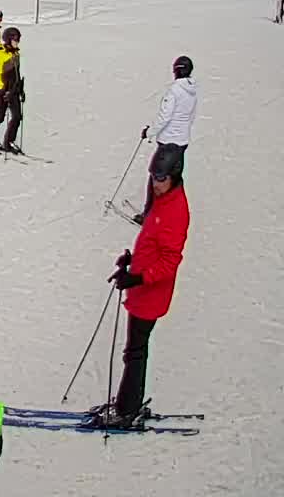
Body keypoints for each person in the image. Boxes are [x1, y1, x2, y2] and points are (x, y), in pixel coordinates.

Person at [92, 160, 191, 429]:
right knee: (135, 349)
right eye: (153, 177)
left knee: (135, 350)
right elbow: (153, 244)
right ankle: (128, 402)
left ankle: (128, 409)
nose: (156, 183)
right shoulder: (164, 200)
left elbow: (170, 261)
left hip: (151, 294)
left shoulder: (175, 210)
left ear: (173, 177)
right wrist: (132, 260)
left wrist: (137, 277)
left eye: (161, 178)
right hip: (142, 289)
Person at [135, 55, 196, 224]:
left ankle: (150, 218)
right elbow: (191, 116)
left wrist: (149, 133)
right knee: (174, 181)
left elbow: (164, 118)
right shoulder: (192, 92)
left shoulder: (175, 91)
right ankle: (169, 215)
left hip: (169, 143)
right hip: (182, 143)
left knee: (157, 178)